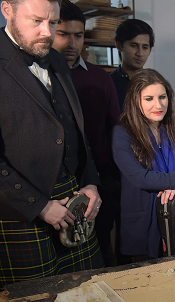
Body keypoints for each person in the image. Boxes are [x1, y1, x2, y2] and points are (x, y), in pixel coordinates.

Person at [0, 0, 103, 287]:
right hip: (20, 211)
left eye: (53, 22)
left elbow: (75, 132)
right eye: (36, 21)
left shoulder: (56, 59)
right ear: (7, 10)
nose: (47, 32)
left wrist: (90, 182)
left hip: (72, 198)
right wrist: (40, 205)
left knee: (88, 293)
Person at [52, 0, 122, 267]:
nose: (71, 43)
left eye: (78, 35)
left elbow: (113, 127)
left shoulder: (98, 77)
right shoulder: (42, 76)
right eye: (63, 34)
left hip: (98, 175)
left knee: (100, 243)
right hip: (57, 178)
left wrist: (111, 177)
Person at [112, 69, 175, 260]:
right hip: (143, 224)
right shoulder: (122, 133)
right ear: (135, 101)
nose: (158, 105)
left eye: (162, 97)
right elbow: (140, 177)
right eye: (149, 98)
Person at [111, 18, 153, 111]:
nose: (140, 53)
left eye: (145, 47)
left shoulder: (155, 83)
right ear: (119, 45)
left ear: (150, 50)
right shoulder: (109, 83)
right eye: (134, 46)